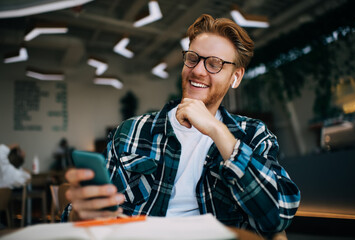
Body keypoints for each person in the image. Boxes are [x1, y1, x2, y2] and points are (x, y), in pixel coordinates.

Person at [62, 14, 300, 237]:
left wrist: (217, 130)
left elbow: (278, 216)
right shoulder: (131, 132)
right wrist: (79, 214)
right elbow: (86, 213)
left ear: (235, 77)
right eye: (193, 58)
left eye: (214, 64)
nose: (197, 70)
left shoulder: (254, 135)